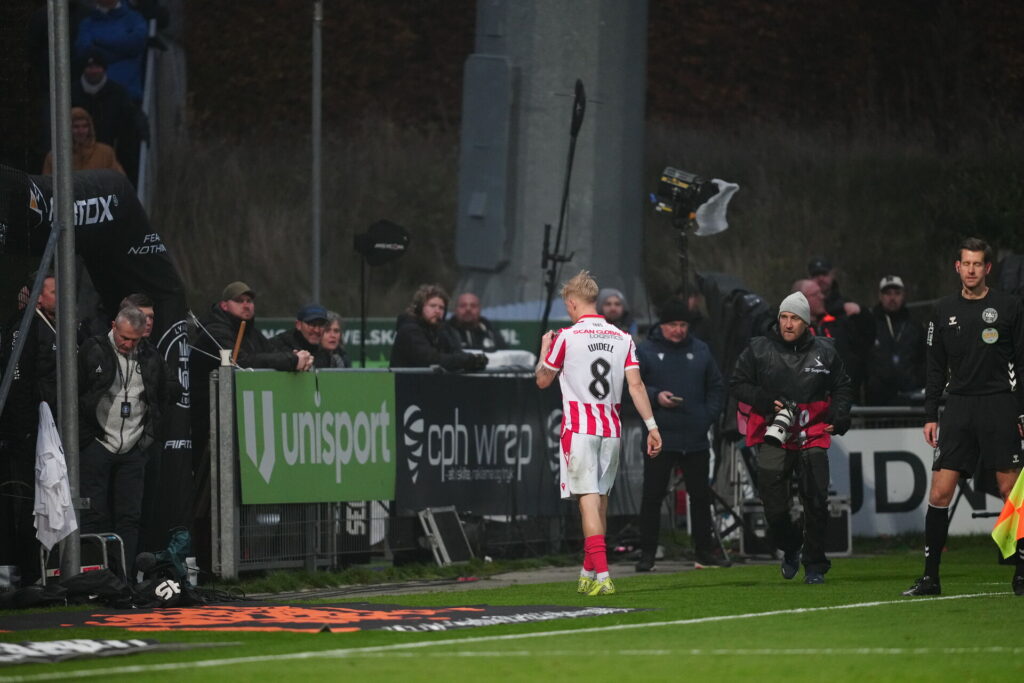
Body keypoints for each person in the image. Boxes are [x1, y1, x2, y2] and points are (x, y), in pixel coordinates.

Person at [902, 237, 1024, 597]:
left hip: (999, 405)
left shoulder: (1010, 306)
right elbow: (935, 368)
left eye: (977, 264)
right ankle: (930, 577)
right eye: (965, 264)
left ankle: (1021, 571)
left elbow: (1022, 362)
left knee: (1010, 491)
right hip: (957, 408)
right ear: (957, 267)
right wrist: (930, 414)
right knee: (939, 492)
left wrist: (1021, 408)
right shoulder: (942, 310)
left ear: (988, 268)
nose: (971, 270)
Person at [536, 270, 662, 596]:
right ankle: (587, 572)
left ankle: (604, 576)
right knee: (601, 503)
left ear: (572, 303)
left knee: (588, 505)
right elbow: (635, 386)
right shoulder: (623, 338)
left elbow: (543, 380)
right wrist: (652, 427)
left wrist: (543, 349)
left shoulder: (565, 336)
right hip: (611, 430)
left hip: (579, 429)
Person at [729, 291, 853, 584]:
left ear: (806, 322)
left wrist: (840, 413)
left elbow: (843, 387)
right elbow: (737, 383)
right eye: (783, 317)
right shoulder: (758, 349)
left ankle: (815, 565)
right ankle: (791, 545)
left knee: (817, 501)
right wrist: (762, 398)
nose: (787, 323)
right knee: (773, 506)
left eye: (794, 318)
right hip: (774, 433)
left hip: (812, 433)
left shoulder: (826, 351)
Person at [77, 306, 173, 578]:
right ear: (113, 326)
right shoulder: (92, 349)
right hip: (97, 443)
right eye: (124, 338)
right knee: (94, 514)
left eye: (134, 339)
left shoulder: (151, 356)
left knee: (129, 517)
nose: (128, 344)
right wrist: (87, 441)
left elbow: (162, 396)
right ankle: (95, 579)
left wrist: (146, 439)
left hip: (133, 447)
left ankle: (125, 578)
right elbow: (74, 395)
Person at [635, 299, 726, 571]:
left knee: (700, 497)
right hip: (660, 436)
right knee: (652, 496)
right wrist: (655, 396)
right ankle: (647, 554)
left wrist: (706, 416)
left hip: (695, 437)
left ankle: (703, 552)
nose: (678, 330)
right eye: (673, 324)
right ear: (662, 325)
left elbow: (717, 387)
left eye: (683, 324)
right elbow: (633, 386)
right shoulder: (646, 350)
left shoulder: (700, 350)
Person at [0, 272, 60, 586]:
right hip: (31, 434)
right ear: (38, 296)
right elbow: (18, 378)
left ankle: (54, 567)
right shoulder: (24, 326)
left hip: (55, 431)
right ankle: (29, 571)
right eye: (54, 291)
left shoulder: (63, 326)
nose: (61, 295)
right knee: (28, 502)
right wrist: (24, 430)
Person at [71, 51, 146, 184]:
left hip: (107, 158)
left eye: (97, 66)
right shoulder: (72, 94)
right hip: (76, 157)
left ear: (104, 69)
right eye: (89, 67)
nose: (93, 71)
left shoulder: (118, 94)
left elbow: (128, 126)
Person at [794, 278, 871, 403]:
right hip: (806, 405)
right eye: (815, 294)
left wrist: (862, 314)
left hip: (842, 400)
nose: (822, 297)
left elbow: (863, 345)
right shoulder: (790, 330)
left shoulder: (837, 324)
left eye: (821, 293)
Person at [389, 284, 488, 371]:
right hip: (403, 387)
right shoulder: (409, 330)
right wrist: (467, 360)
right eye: (432, 306)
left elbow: (456, 352)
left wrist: (474, 360)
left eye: (441, 308)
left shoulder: (441, 329)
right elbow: (431, 360)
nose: (437, 311)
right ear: (419, 308)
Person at [865, 275, 926, 405]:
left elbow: (925, 357)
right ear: (880, 296)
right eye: (887, 293)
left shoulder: (915, 325)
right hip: (878, 400)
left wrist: (918, 381)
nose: (892, 298)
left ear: (903, 295)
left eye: (897, 293)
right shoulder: (869, 324)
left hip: (911, 397)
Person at [74, 0, 148, 102]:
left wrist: (99, 42)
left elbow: (136, 44)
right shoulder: (86, 24)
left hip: (129, 94)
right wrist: (122, 51)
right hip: (95, 95)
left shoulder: (135, 19)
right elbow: (84, 51)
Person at [41, 107, 125, 175]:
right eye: (76, 127)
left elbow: (119, 181)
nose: (81, 131)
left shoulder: (105, 153)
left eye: (84, 126)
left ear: (90, 128)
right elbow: (47, 187)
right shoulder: (55, 157)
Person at [439, 292, 507, 352]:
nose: (468, 309)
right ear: (455, 310)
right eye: (463, 306)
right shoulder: (445, 331)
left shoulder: (490, 331)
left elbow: (503, 354)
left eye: (473, 306)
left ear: (479, 309)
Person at [272, 304, 333, 369]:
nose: (317, 330)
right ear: (298, 325)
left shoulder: (325, 354)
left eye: (321, 324)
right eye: (312, 324)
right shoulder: (277, 346)